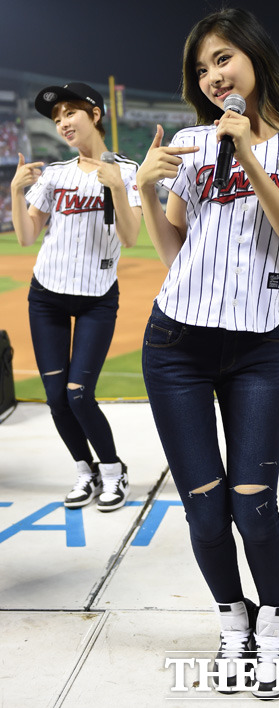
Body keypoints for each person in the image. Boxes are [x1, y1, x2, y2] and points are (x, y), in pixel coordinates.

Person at [137, 8, 279, 699]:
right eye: (201, 68)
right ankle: (235, 622)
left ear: (254, 56)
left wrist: (249, 154)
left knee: (254, 506)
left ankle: (276, 626)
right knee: (204, 511)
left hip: (256, 349)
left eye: (223, 58)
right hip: (176, 344)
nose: (213, 76)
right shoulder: (193, 144)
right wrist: (147, 191)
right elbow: (174, 254)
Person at [10, 82, 142, 512]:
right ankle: (85, 471)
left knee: (79, 394)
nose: (63, 122)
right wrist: (15, 192)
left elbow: (130, 237)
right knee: (56, 399)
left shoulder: (127, 171)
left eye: (71, 112)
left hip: (96, 298)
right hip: (46, 296)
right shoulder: (55, 174)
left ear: (95, 114)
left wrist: (116, 187)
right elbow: (27, 236)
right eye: (57, 117)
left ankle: (113, 469)